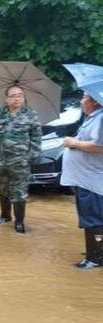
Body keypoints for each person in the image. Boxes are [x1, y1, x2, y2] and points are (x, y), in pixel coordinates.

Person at [0, 85, 42, 233]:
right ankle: (5, 216)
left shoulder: (31, 115)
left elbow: (36, 138)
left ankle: (19, 221)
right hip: (1, 160)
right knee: (2, 188)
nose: (17, 98)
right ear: (6, 99)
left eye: (20, 95)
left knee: (19, 190)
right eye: (13, 95)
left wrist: (32, 157)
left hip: (20, 160)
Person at [61, 91, 103, 270]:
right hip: (86, 178)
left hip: (91, 180)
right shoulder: (93, 118)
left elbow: (99, 146)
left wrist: (74, 143)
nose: (81, 101)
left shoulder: (101, 119)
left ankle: (95, 258)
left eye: (84, 97)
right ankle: (96, 251)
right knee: (92, 216)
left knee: (93, 218)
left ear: (94, 101)